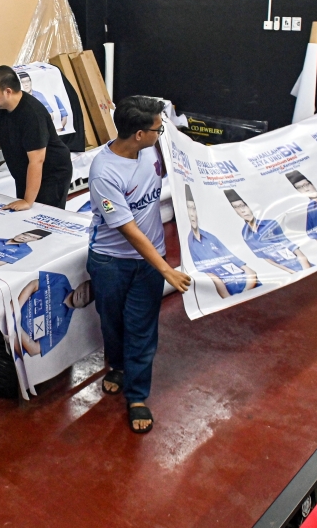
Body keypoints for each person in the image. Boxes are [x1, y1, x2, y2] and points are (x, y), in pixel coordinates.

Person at [86, 97, 191, 433]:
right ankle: (115, 366)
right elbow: (128, 229)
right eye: (158, 130)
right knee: (112, 322)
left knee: (142, 330)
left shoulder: (151, 149)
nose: (163, 133)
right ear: (139, 135)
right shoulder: (105, 171)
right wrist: (166, 269)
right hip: (111, 262)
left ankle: (137, 396)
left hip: (148, 261)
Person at [0, 66, 73, 210]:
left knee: (42, 217)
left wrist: (27, 201)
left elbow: (37, 160)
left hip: (51, 173)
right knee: (20, 214)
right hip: (25, 170)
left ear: (7, 91)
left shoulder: (32, 114)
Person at [186, 185, 258, 298]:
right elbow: (214, 279)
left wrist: (246, 291)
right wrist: (229, 299)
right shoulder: (190, 244)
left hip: (251, 288)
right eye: (188, 208)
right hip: (232, 297)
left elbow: (250, 272)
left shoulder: (212, 237)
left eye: (194, 208)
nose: (191, 213)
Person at [223, 189, 312, 273]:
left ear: (249, 206)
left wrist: (306, 269)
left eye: (243, 206)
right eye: (236, 208)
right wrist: (290, 271)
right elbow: (266, 258)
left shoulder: (270, 223)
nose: (242, 210)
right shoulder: (245, 234)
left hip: (305, 266)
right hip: (290, 273)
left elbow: (292, 246)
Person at [15, 272, 91, 357]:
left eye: (85, 298)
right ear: (81, 284)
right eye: (84, 289)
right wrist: (15, 309)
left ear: (84, 306)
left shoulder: (62, 328)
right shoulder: (61, 280)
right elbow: (34, 284)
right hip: (7, 309)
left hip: (11, 340)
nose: (81, 294)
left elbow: (34, 350)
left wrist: (15, 327)